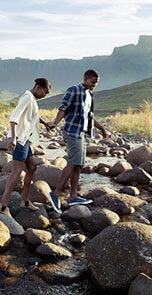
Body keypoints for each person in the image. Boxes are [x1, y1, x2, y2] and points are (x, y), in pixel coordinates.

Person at [46, 69, 109, 211]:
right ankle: (55, 194)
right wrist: (55, 123)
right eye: (93, 82)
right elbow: (63, 108)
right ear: (85, 79)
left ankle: (73, 197)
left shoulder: (89, 95)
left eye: (96, 83)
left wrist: (102, 129)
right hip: (71, 132)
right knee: (73, 161)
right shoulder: (74, 90)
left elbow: (90, 117)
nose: (94, 85)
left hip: (81, 133)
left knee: (79, 164)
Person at [0, 77, 51, 216]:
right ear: (38, 87)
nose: (43, 96)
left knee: (32, 167)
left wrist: (46, 124)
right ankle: (2, 205)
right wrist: (14, 138)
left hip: (25, 140)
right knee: (16, 172)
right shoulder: (27, 97)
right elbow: (14, 117)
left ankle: (25, 201)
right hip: (20, 140)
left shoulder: (32, 99)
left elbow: (33, 116)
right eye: (43, 93)